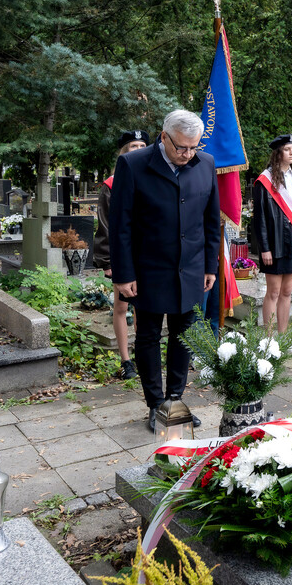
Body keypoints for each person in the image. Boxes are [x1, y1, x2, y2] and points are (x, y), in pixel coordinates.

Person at [109, 110, 220, 433]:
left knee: (184, 336)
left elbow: (211, 221)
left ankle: (175, 400)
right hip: (148, 269)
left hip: (191, 269)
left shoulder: (206, 164)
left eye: (193, 148)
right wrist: (123, 274)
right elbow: (121, 226)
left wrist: (209, 264)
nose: (187, 155)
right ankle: (155, 403)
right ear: (163, 137)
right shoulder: (133, 165)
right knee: (148, 335)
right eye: (181, 148)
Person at [93, 130, 148, 380]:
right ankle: (126, 360)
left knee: (144, 308)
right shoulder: (111, 184)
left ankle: (142, 354)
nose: (138, 149)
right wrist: (107, 261)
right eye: (133, 145)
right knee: (121, 305)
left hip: (148, 254)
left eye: (142, 145)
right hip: (123, 255)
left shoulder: (151, 178)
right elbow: (105, 225)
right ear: (123, 151)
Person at [253, 134, 292, 333]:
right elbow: (259, 217)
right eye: (287, 149)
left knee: (287, 291)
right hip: (275, 244)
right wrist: (265, 248)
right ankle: (269, 340)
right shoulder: (265, 180)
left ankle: (283, 338)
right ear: (278, 153)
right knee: (274, 292)